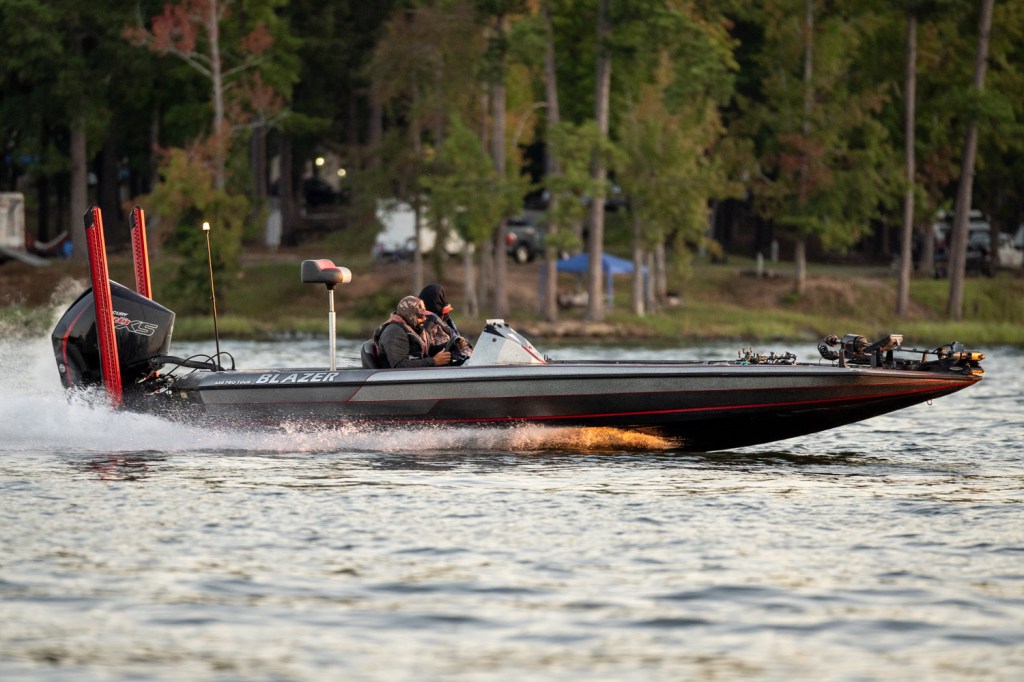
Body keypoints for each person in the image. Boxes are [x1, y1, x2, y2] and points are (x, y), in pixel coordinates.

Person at [373, 295, 451, 368]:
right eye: (420, 316)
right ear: (409, 315)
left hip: (417, 375)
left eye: (424, 315)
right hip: (398, 377)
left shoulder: (414, 328)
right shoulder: (394, 332)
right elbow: (399, 365)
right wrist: (434, 361)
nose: (424, 318)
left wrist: (451, 345)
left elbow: (428, 350)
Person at [418, 283, 472, 364]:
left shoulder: (444, 321)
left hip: (461, 362)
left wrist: (460, 343)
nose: (445, 314)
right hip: (445, 366)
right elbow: (432, 351)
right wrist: (456, 345)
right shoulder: (428, 325)